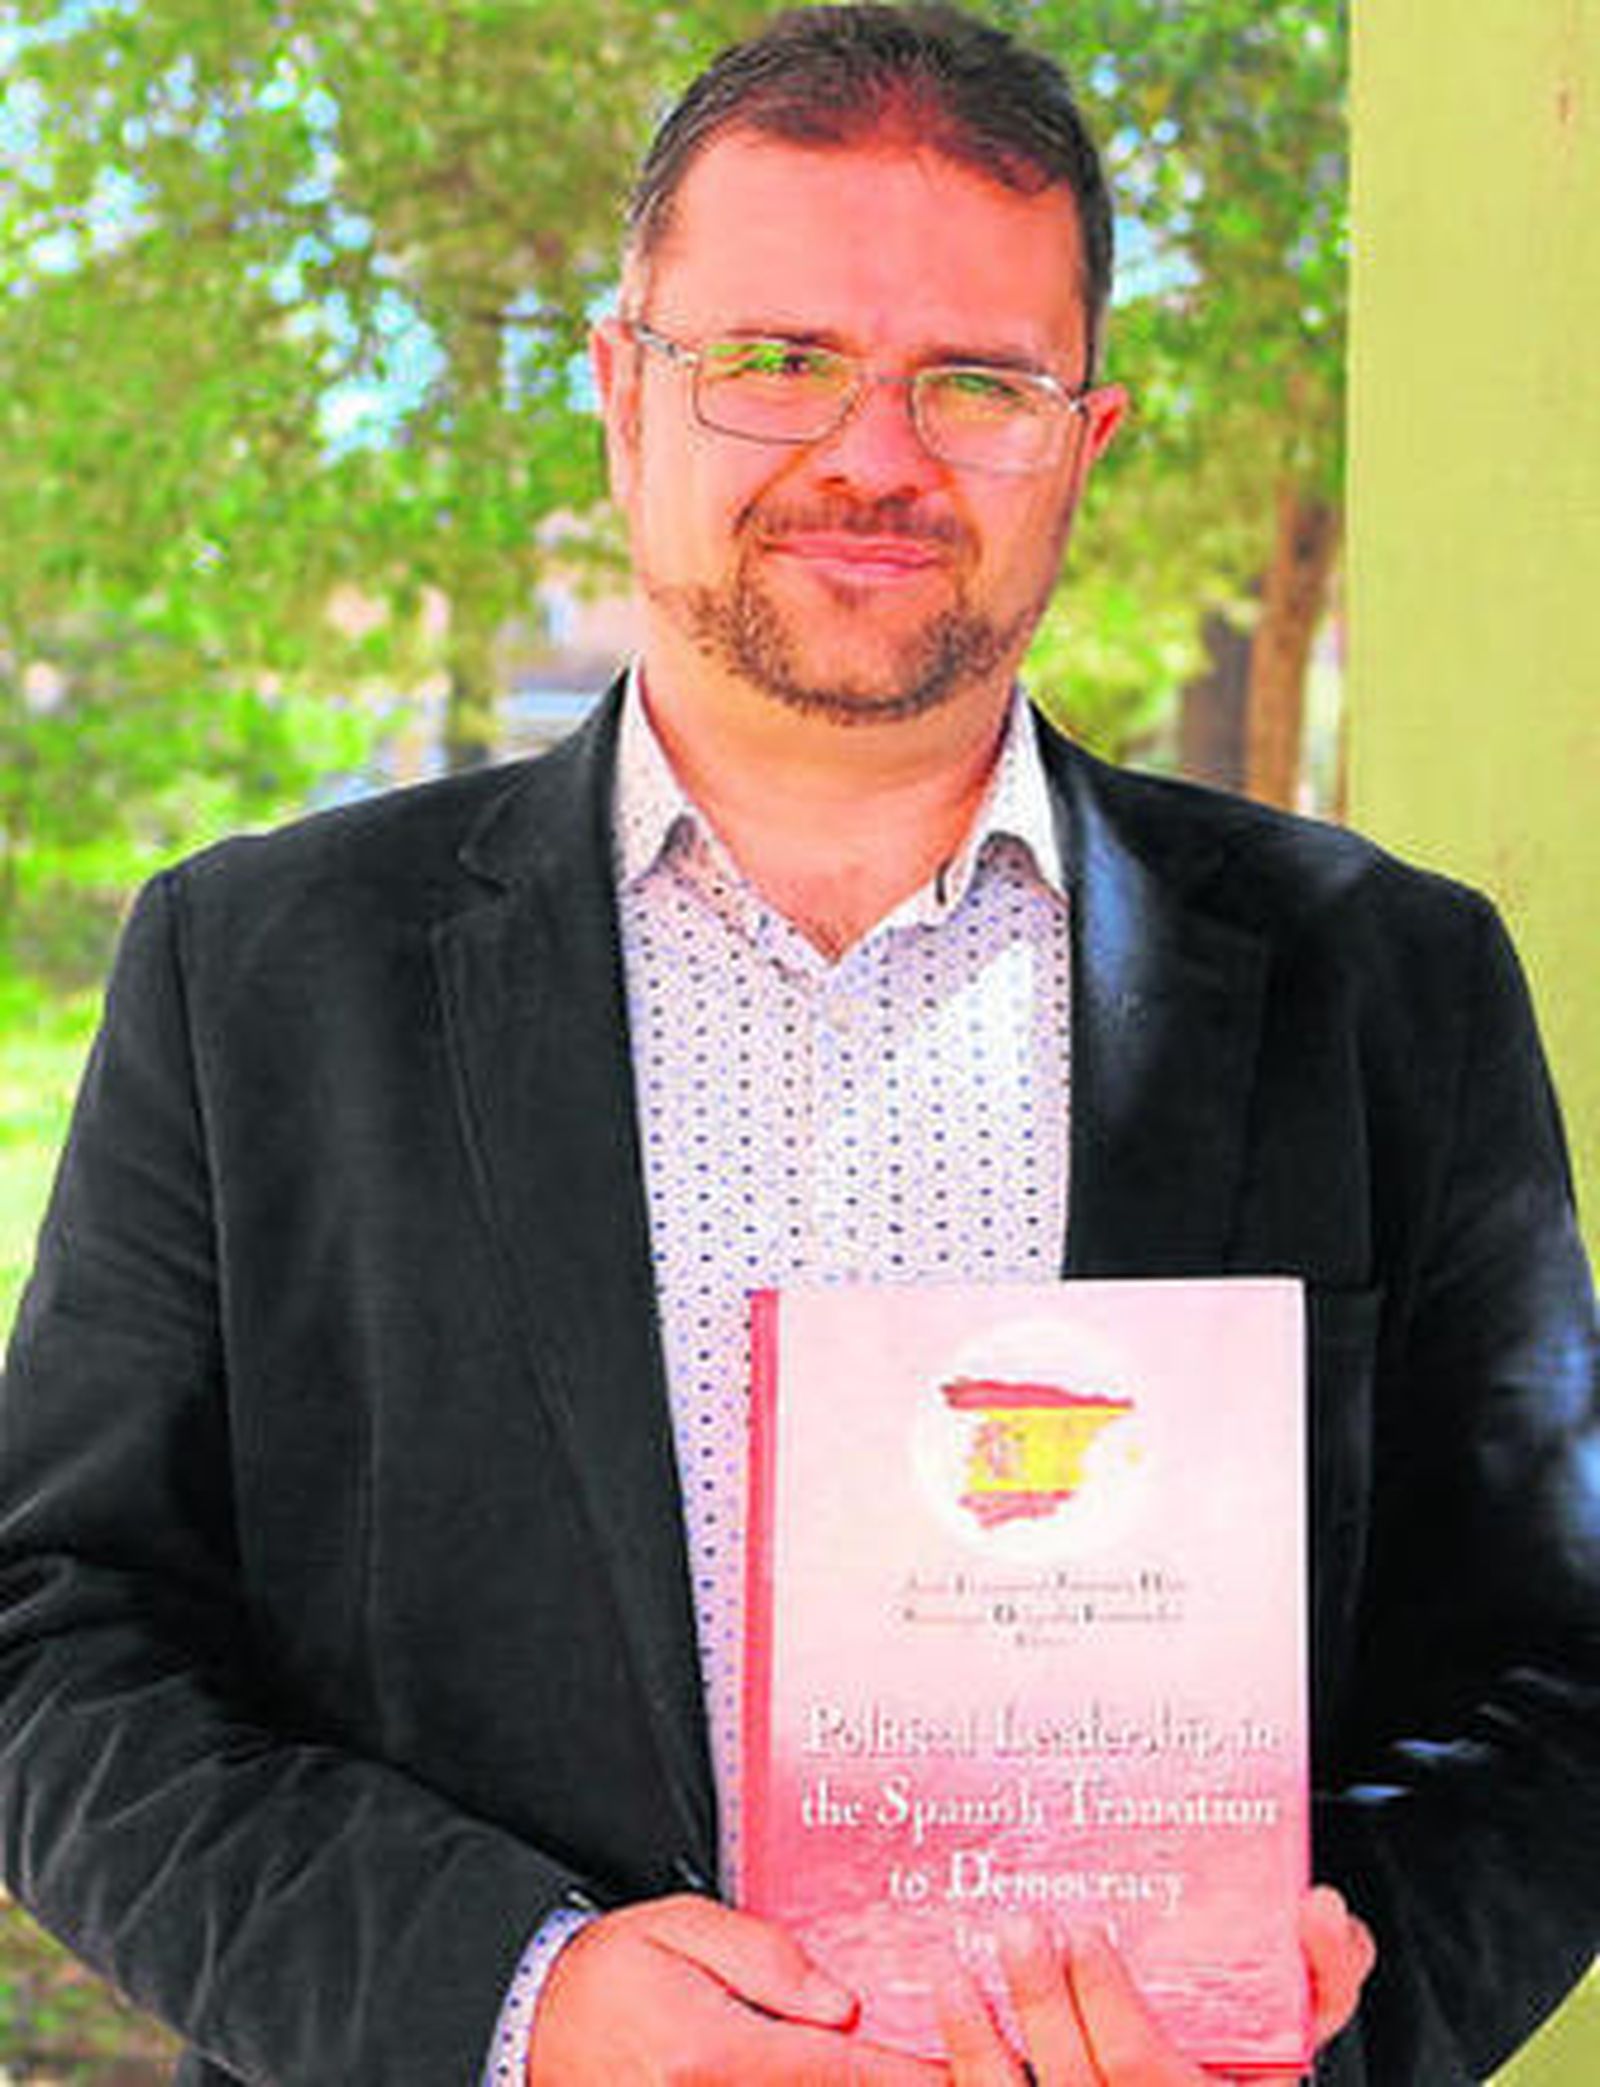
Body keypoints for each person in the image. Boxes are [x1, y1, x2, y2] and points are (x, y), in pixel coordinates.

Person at [0, 6, 1594, 2084]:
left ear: (1084, 440)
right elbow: (57, 1639)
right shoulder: (258, 977)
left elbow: (1557, 1682)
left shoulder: (1384, 985)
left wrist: (1290, 2033)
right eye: (774, 359)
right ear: (621, 395)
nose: (874, 456)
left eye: (976, 382)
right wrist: (515, 2004)